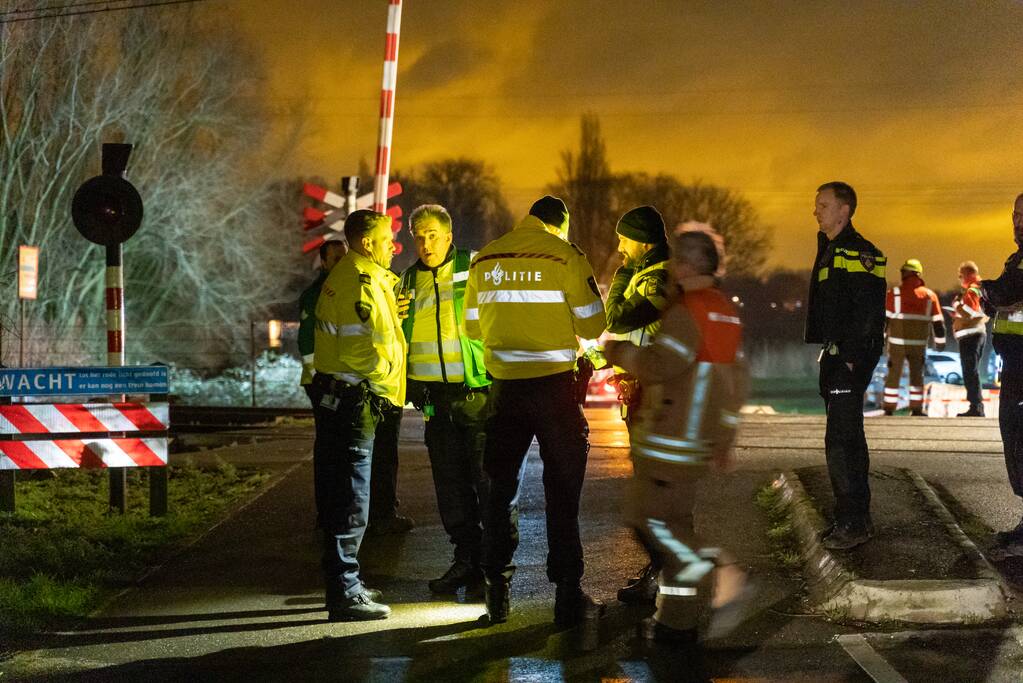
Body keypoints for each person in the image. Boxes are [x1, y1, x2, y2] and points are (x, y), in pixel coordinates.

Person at [464, 195, 607, 627]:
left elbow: (471, 326)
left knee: (499, 490)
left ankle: (496, 593)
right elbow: (593, 325)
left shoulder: (484, 259)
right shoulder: (565, 255)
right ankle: (566, 596)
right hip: (553, 390)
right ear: (559, 225)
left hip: (504, 388)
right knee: (561, 494)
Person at [605, 228, 751, 642]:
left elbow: (658, 365)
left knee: (648, 518)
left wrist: (616, 350)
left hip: (670, 438)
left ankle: (717, 570)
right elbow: (736, 382)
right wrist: (724, 438)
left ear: (684, 265)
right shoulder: (724, 310)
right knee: (673, 520)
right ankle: (677, 624)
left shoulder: (687, 311)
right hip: (697, 441)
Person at [310, 209, 406, 621]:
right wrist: (386, 377)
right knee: (352, 499)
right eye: (387, 239)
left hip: (343, 398)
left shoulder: (357, 278)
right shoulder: (359, 283)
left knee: (344, 495)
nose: (393, 246)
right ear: (368, 242)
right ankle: (345, 594)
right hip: (355, 399)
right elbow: (359, 352)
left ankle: (347, 583)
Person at [397, 204, 490, 596]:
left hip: (477, 397)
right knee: (450, 489)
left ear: (449, 236)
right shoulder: (407, 281)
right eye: (418, 235)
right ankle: (465, 560)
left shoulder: (475, 267)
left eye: (432, 234)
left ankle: (492, 568)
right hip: (435, 403)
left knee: (488, 486)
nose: (425, 242)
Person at [804, 181, 886, 551]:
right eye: (816, 204)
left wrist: (852, 357)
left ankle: (854, 522)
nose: (816, 210)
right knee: (839, 439)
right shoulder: (830, 249)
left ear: (844, 211)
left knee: (845, 441)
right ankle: (849, 517)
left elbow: (868, 310)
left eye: (823, 204)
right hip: (836, 355)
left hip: (848, 359)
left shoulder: (859, 252)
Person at [604, 206, 672, 604]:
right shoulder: (651, 274)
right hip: (646, 396)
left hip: (656, 400)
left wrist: (621, 277)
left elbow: (620, 317)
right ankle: (663, 573)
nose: (619, 247)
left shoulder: (656, 277)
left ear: (643, 242)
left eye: (624, 239)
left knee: (655, 494)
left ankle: (670, 577)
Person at [980, 193, 1023, 551]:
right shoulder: (1016, 260)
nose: (1018, 223)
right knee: (1014, 440)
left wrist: (995, 292)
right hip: (1014, 364)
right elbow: (995, 296)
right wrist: (994, 293)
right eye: (1015, 216)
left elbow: (1002, 292)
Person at [298, 237, 348, 527]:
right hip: (322, 381)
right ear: (325, 262)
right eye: (337, 259)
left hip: (328, 378)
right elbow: (307, 339)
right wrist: (319, 378)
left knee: (334, 445)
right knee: (331, 446)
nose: (342, 263)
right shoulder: (319, 294)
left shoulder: (331, 289)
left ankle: (333, 508)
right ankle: (329, 511)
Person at [882, 259, 946, 416]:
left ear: (905, 273)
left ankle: (889, 408)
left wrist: (880, 339)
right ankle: (916, 408)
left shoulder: (894, 293)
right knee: (917, 375)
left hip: (897, 344)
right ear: (919, 274)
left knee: (893, 374)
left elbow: (884, 321)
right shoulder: (930, 296)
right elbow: (938, 323)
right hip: (919, 345)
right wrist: (940, 343)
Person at [952, 261, 988, 417]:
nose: (960, 279)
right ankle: (976, 405)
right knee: (972, 372)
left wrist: (957, 305)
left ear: (968, 274)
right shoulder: (981, 289)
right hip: (975, 335)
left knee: (970, 372)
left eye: (961, 275)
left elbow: (969, 313)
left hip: (971, 336)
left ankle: (976, 406)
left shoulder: (972, 290)